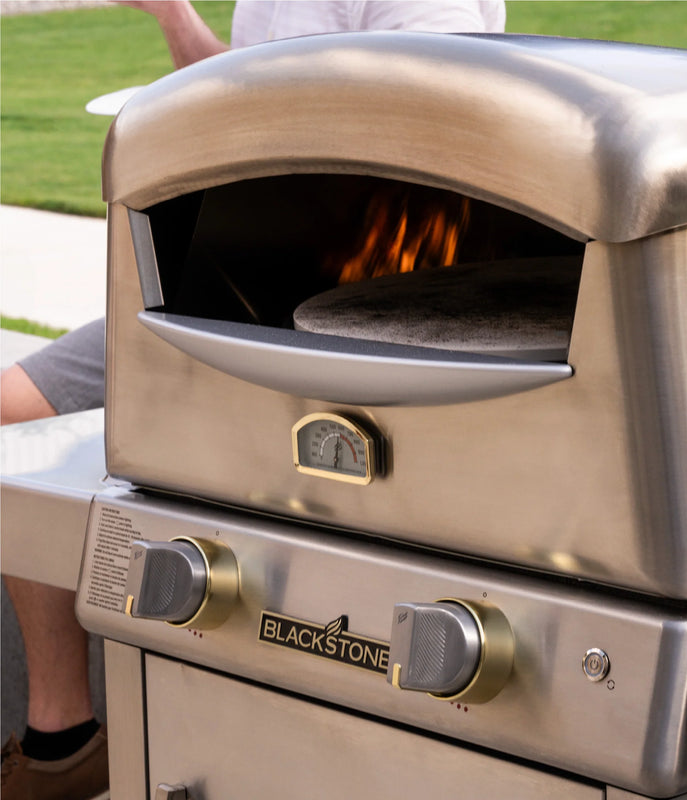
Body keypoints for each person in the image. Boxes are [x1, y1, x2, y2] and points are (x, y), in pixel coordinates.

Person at [0, 3, 506, 799]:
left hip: (341, 286)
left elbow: (443, 119)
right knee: (15, 416)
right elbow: (222, 86)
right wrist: (171, 13)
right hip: (244, 258)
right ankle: (65, 736)